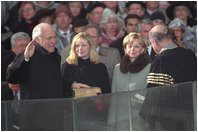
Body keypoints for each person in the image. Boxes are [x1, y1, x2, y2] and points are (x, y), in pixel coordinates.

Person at [140, 24, 197, 130]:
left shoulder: (161, 60)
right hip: (192, 114)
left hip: (170, 118)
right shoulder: (189, 54)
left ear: (155, 43)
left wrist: (147, 117)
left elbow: (154, 96)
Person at [7, 23, 64, 100]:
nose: (54, 41)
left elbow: (56, 84)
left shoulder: (55, 56)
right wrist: (26, 59)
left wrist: (70, 85)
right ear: (37, 39)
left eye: (54, 37)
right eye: (49, 38)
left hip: (55, 107)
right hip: (34, 109)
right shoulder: (27, 55)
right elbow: (12, 78)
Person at [61, 32, 111, 98]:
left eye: (84, 45)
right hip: (74, 107)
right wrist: (71, 86)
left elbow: (107, 93)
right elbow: (61, 91)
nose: (80, 49)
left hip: (96, 107)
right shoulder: (67, 67)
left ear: (90, 47)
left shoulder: (100, 67)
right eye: (77, 45)